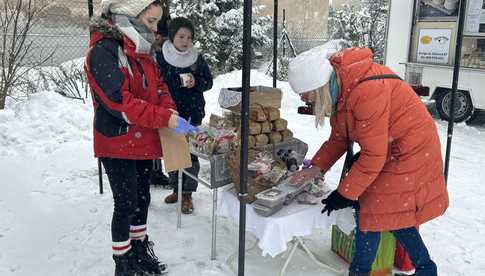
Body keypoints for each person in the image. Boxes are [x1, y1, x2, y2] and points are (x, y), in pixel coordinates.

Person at [288, 45, 449, 276]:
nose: (303, 98)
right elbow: (339, 138)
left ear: (318, 85)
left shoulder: (365, 90)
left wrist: (344, 193)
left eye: (304, 93)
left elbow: (374, 155)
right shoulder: (342, 88)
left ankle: (369, 271)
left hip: (411, 150)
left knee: (375, 209)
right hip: (390, 147)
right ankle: (425, 269)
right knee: (390, 211)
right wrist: (316, 168)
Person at [85, 1, 199, 275]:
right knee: (125, 203)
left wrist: (169, 108)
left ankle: (139, 251)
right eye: (150, 21)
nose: (155, 28)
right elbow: (119, 102)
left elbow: (160, 87)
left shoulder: (143, 51)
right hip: (117, 141)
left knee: (142, 198)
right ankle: (123, 262)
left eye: (157, 21)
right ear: (126, 16)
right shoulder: (103, 51)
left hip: (144, 139)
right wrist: (163, 118)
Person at [156, 17, 213, 214]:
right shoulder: (161, 56)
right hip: (170, 113)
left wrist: (195, 81)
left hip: (192, 112)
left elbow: (208, 82)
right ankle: (176, 188)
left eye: (189, 37)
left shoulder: (197, 58)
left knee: (190, 153)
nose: (185, 41)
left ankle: (188, 193)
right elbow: (157, 82)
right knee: (172, 150)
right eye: (181, 36)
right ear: (172, 37)